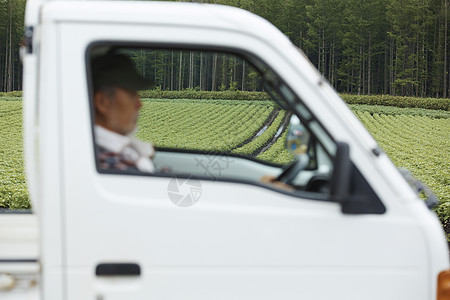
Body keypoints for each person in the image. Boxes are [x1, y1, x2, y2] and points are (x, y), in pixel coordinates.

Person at [91, 52, 156, 172]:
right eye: (131, 94)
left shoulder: (107, 147)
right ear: (102, 102)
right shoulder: (109, 163)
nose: (139, 104)